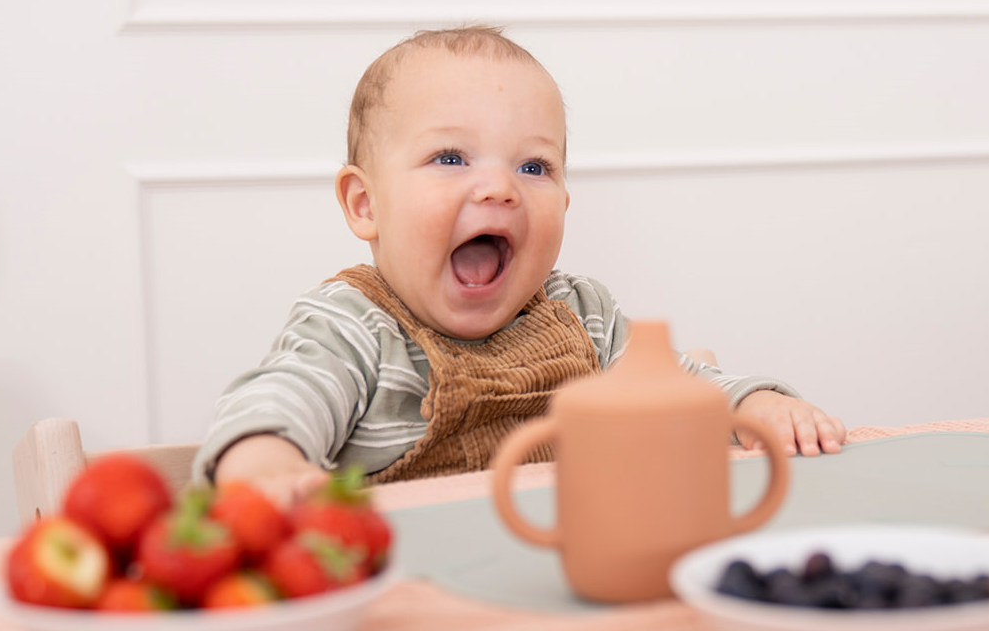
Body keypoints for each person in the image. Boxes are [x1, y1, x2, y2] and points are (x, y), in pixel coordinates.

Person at [192, 26, 847, 504]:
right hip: (407, 601)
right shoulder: (353, 329)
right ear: (365, 204)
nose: (500, 188)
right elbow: (278, 398)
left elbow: (675, 384)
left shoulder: (581, 316)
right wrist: (266, 463)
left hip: (562, 576)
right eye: (450, 157)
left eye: (533, 166)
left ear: (563, 200)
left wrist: (755, 402)